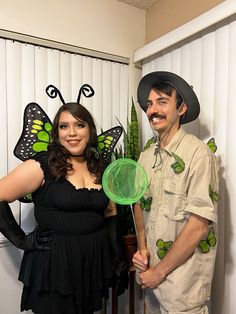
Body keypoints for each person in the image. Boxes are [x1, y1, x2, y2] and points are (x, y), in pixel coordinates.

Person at [0, 84, 128, 314]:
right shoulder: (41, 165)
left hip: (92, 264)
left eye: (79, 125)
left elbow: (110, 213)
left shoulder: (100, 167)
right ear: (56, 132)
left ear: (90, 130)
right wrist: (21, 241)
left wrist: (118, 256)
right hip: (55, 267)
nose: (72, 133)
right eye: (64, 126)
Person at [132, 71, 219, 314]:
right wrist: (142, 250)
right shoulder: (145, 156)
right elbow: (138, 204)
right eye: (149, 104)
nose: (152, 110)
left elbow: (199, 226)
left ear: (181, 109)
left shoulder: (199, 155)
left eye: (162, 102)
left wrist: (158, 273)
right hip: (151, 283)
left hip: (182, 292)